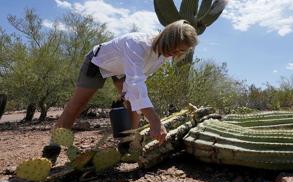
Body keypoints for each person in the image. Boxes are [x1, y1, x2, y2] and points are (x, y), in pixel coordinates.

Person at [43, 20, 198, 160]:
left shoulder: (164, 54)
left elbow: (138, 82)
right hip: (99, 63)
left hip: (123, 70)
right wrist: (154, 120)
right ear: (167, 37)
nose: (175, 53)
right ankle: (52, 147)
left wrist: (128, 94)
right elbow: (136, 83)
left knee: (132, 104)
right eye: (175, 48)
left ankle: (127, 145)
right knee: (77, 106)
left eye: (181, 51)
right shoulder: (136, 43)